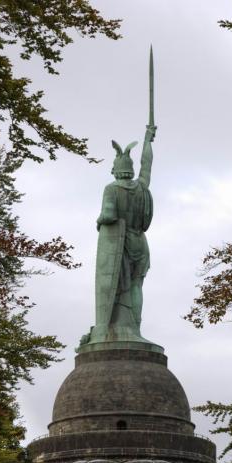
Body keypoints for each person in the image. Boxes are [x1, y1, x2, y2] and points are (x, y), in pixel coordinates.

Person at [81, 123, 157, 346]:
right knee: (136, 285)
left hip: (120, 243)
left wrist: (99, 221)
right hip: (139, 242)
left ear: (116, 169)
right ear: (130, 170)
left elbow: (108, 214)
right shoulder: (141, 187)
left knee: (116, 285)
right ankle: (134, 328)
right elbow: (147, 165)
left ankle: (115, 328)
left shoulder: (112, 189)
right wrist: (147, 140)